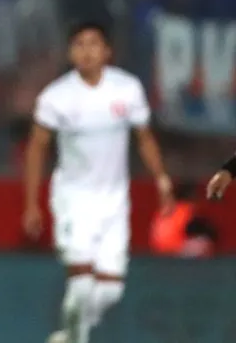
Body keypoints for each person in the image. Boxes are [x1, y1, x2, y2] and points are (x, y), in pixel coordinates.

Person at [22, 22, 174, 343]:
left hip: (115, 201)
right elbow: (37, 149)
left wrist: (161, 179)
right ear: (69, 52)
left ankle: (69, 335)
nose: (86, 51)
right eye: (79, 44)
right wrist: (31, 204)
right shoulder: (56, 97)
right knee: (81, 284)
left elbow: (144, 138)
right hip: (73, 199)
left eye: (93, 44)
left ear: (107, 51)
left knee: (110, 291)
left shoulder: (127, 89)